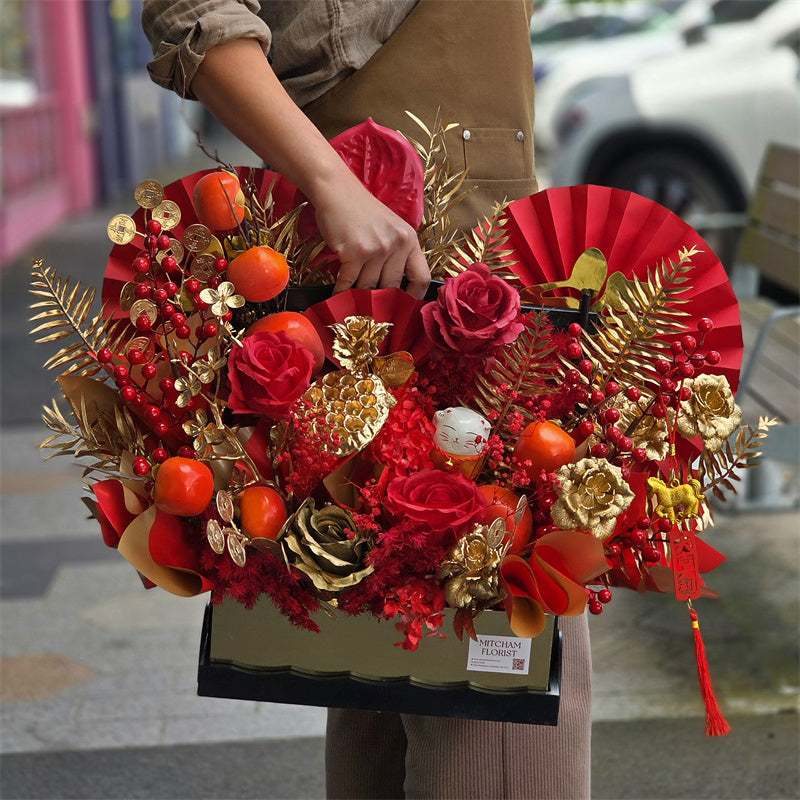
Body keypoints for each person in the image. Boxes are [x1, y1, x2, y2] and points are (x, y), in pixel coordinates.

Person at [142, 2, 592, 797]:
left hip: (462, 281)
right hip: (391, 277)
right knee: (496, 691)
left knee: (387, 668)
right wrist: (333, 181)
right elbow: (192, 12)